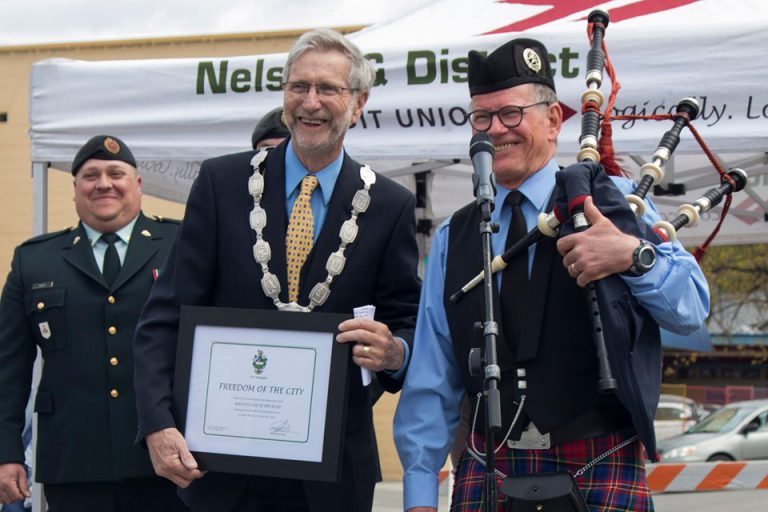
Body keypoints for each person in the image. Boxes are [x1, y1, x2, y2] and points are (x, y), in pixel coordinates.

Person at [394, 38, 710, 511]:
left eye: (511, 114)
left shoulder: (617, 202)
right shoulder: (453, 237)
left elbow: (692, 309)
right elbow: (432, 376)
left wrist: (632, 255)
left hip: (597, 459)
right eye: (482, 118)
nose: (495, 130)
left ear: (554, 120)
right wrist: (419, 494)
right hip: (489, 464)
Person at [133, 28, 420, 512]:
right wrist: (158, 425)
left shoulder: (390, 205)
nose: (311, 102)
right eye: (298, 86)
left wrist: (395, 351)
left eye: (328, 89)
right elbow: (165, 315)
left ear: (359, 102)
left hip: (332, 477)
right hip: (220, 468)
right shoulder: (222, 184)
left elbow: (407, 318)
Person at [0, 135, 186, 511]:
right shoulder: (34, 260)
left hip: (165, 457)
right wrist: (7, 453)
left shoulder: (181, 245)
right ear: (74, 190)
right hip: (74, 460)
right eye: (90, 175)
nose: (104, 183)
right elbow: (9, 368)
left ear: (137, 185)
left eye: (116, 173)